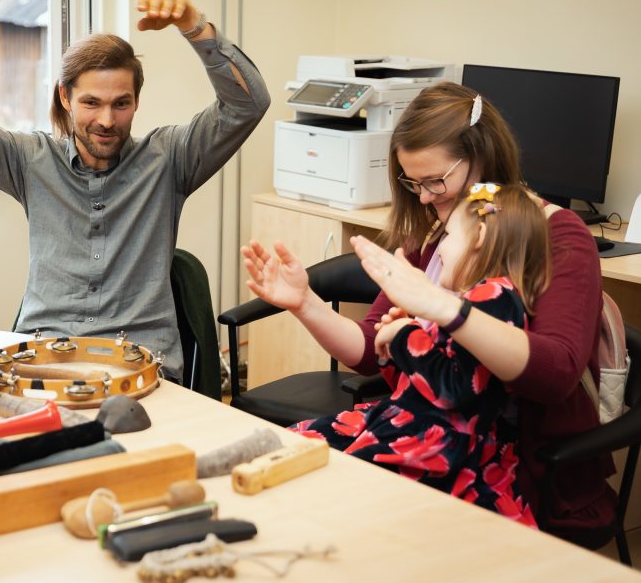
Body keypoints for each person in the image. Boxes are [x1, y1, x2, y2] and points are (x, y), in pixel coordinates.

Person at [242, 83, 615, 539]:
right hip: (434, 442)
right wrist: (305, 303)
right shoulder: (448, 227)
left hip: (513, 471)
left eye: (435, 180)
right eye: (412, 183)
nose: (423, 198)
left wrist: (440, 307)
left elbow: (554, 373)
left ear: (482, 158)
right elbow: (367, 350)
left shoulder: (556, 235)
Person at [0, 0, 270, 383]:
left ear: (137, 101)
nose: (106, 119)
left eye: (121, 103)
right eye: (91, 103)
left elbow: (247, 105)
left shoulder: (169, 159)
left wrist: (195, 27)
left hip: (142, 365)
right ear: (65, 97)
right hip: (42, 360)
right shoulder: (30, 160)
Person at [290, 183, 548, 524]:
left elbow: (456, 388)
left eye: (449, 235)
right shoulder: (471, 300)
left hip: (438, 447)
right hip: (410, 425)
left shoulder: (495, 298)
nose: (440, 250)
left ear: (481, 236)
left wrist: (405, 336)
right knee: (299, 443)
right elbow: (424, 382)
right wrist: (395, 350)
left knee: (320, 475)